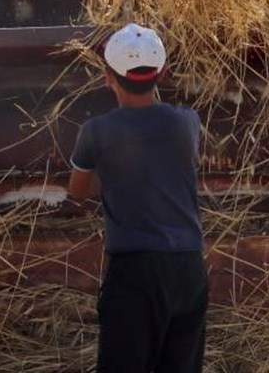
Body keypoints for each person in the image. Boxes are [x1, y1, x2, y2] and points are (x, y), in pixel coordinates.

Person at [68, 23, 208, 373]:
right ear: (163, 72)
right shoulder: (187, 123)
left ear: (107, 78)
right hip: (189, 269)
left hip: (136, 273)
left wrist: (116, 180)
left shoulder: (95, 132)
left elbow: (78, 190)